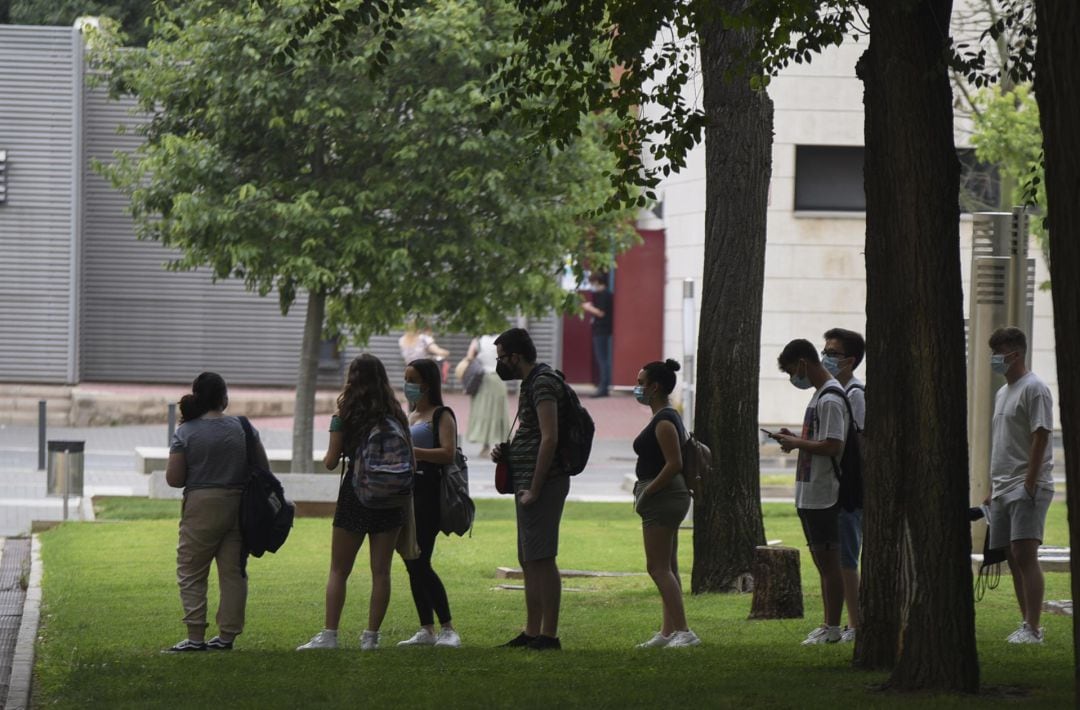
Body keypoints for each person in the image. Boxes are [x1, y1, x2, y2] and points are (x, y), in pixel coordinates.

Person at [298, 354, 412, 651]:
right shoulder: (397, 414)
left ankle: (330, 635)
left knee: (339, 570)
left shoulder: (346, 415)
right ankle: (371, 637)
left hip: (356, 496)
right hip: (391, 499)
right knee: (381, 571)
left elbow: (331, 461)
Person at [164, 372, 268, 652]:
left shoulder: (186, 432)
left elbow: (174, 479)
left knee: (191, 570)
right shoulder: (243, 427)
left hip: (201, 504)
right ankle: (227, 636)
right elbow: (263, 467)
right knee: (233, 572)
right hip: (238, 505)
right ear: (224, 398)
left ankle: (195, 636)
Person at [491, 327, 568, 650]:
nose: (499, 364)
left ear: (515, 357)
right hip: (526, 482)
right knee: (528, 558)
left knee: (543, 557)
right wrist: (509, 454)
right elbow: (534, 434)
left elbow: (550, 437)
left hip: (543, 483)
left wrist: (535, 489)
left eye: (501, 358)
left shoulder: (543, 383)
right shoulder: (530, 384)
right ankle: (532, 631)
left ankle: (548, 635)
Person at [774, 339, 848, 645]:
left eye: (793, 371)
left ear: (804, 363)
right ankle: (827, 623)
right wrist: (797, 439)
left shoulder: (830, 398)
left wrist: (797, 444)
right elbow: (818, 439)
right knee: (821, 561)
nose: (794, 378)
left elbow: (834, 444)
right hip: (810, 491)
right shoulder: (818, 396)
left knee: (830, 563)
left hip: (824, 492)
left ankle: (833, 627)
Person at [987, 326, 1054, 645]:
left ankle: (1034, 628)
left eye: (997, 354)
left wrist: (1029, 482)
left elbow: (1040, 434)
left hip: (1026, 486)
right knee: (1012, 556)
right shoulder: (1003, 392)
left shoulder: (1034, 388)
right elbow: (1004, 442)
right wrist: (993, 486)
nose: (994, 360)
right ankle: (1025, 623)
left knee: (1025, 553)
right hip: (1002, 487)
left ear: (1014, 354)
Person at [631, 359, 700, 648]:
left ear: (654, 387)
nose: (637, 388)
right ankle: (668, 632)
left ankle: (684, 631)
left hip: (665, 497)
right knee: (667, 566)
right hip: (667, 496)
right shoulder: (665, 416)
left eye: (640, 383)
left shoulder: (664, 421)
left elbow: (674, 463)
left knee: (656, 567)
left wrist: (649, 492)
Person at [397, 358, 461, 647]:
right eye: (405, 378)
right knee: (411, 560)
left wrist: (415, 452)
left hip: (429, 495)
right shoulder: (410, 416)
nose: (407, 384)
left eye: (412, 379)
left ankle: (448, 628)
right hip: (407, 494)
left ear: (426, 383)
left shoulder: (442, 415)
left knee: (421, 560)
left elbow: (448, 453)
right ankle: (426, 628)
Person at [821, 328, 866, 644]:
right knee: (838, 558)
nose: (826, 357)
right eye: (825, 351)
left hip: (850, 489)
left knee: (847, 558)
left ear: (850, 360)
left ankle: (855, 624)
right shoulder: (835, 390)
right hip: (836, 487)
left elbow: (860, 442)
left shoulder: (855, 394)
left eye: (833, 353)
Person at [464, 334, 510, 457]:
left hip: (483, 379)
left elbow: (469, 357)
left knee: (484, 411)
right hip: (499, 379)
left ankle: (485, 447)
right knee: (499, 412)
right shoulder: (502, 340)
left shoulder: (478, 340)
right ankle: (502, 445)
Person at [581, 272, 614, 398]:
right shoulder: (604, 294)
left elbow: (601, 313)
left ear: (597, 282)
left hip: (602, 330)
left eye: (592, 283)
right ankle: (603, 386)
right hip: (601, 329)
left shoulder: (604, 295)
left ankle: (603, 387)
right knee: (602, 359)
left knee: (602, 359)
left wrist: (588, 308)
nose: (591, 286)